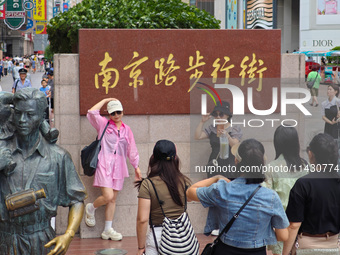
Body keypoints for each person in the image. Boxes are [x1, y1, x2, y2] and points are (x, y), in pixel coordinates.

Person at [0, 88, 87, 255]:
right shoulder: (2, 152)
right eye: (18, 113)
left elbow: (76, 199)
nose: (22, 120)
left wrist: (68, 235)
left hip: (41, 239)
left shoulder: (58, 157)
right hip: (5, 237)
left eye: (30, 115)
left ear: (41, 117)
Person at [187, 139, 289, 254]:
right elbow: (283, 236)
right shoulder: (271, 197)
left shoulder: (222, 190)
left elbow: (190, 192)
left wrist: (215, 178)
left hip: (224, 250)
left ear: (236, 161)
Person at [85, 98, 141, 240]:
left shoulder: (127, 130)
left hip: (119, 167)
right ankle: (91, 208)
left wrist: (136, 167)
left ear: (123, 112)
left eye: (119, 112)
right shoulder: (103, 124)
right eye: (113, 112)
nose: (116, 115)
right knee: (108, 196)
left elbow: (131, 149)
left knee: (113, 199)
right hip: (104, 164)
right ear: (109, 114)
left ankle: (107, 230)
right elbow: (91, 112)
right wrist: (105, 100)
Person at [283, 133, 340, 254]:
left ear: (311, 154)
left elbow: (294, 225)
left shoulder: (303, 184)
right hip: (334, 245)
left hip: (306, 246)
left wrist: (285, 253)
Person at [136, 139, 192, 255]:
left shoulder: (148, 184)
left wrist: (141, 248)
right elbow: (190, 198)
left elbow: (142, 220)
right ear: (175, 159)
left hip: (158, 237)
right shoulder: (184, 181)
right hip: (183, 238)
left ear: (153, 158)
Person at [264, 125, 309, 255]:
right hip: (303, 225)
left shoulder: (272, 168)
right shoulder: (305, 166)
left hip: (281, 226)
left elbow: (266, 198)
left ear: (277, 143)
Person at [195, 101, 242, 178]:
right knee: (213, 186)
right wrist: (202, 122)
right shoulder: (212, 128)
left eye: (221, 114)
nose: (218, 117)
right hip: (214, 162)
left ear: (227, 115)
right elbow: (198, 136)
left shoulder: (234, 128)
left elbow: (235, 146)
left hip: (229, 163)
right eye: (215, 114)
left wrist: (227, 135)